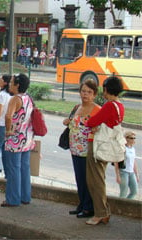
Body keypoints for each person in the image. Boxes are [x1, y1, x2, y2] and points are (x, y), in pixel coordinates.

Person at [85, 76, 125, 225]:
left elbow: (92, 122)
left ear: (107, 89)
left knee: (95, 181)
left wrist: (93, 123)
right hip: (108, 146)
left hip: (99, 146)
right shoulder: (120, 105)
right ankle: (104, 211)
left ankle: (100, 213)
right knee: (99, 179)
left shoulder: (109, 105)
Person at [63, 79, 100, 218]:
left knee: (87, 179)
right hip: (75, 149)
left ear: (94, 94)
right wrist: (67, 122)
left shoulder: (97, 109)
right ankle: (82, 204)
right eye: (83, 91)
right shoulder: (77, 107)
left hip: (88, 150)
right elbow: (72, 123)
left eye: (89, 92)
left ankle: (88, 207)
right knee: (79, 178)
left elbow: (102, 128)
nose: (85, 94)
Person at [1, 73, 35, 207]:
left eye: (11, 82)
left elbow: (8, 116)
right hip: (26, 137)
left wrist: (8, 130)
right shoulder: (28, 98)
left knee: (13, 169)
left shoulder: (15, 99)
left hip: (15, 138)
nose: (9, 84)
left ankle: (13, 199)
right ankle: (25, 196)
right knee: (24, 168)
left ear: (17, 85)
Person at [115, 131, 139, 199]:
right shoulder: (123, 148)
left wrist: (136, 174)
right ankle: (120, 208)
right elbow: (116, 162)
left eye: (134, 138)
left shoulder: (133, 149)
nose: (133, 140)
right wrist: (118, 175)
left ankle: (126, 205)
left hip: (131, 173)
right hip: (123, 172)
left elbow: (133, 162)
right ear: (126, 138)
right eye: (131, 138)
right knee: (123, 193)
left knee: (134, 191)